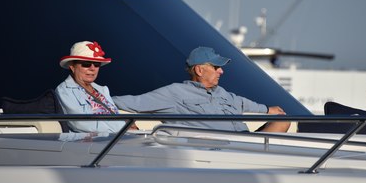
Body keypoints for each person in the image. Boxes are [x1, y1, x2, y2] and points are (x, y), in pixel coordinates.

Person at [113, 46, 290, 132]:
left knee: (283, 120)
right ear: (199, 70)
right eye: (216, 67)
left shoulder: (221, 92)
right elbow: (133, 102)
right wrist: (93, 93)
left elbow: (242, 103)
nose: (221, 71)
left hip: (246, 142)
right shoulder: (174, 92)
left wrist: (268, 109)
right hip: (218, 150)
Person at [55, 41, 136, 133]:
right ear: (72, 67)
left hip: (117, 138)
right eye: (86, 64)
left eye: (97, 64)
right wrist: (124, 129)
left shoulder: (103, 90)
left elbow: (114, 115)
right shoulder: (64, 91)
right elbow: (81, 124)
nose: (92, 68)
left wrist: (130, 125)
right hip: (92, 144)